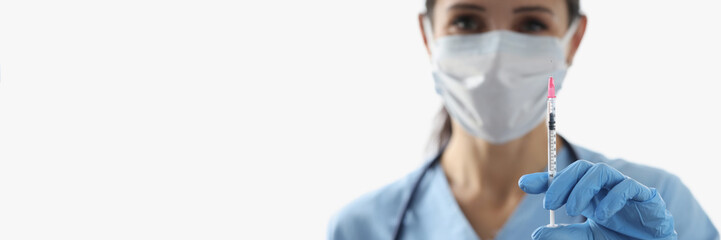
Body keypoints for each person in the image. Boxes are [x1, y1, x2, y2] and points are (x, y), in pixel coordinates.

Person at [327, 0, 719, 239]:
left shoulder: (649, 205)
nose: (497, 53)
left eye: (531, 24)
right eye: (466, 20)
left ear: (574, 39)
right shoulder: (362, 228)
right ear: (428, 35)